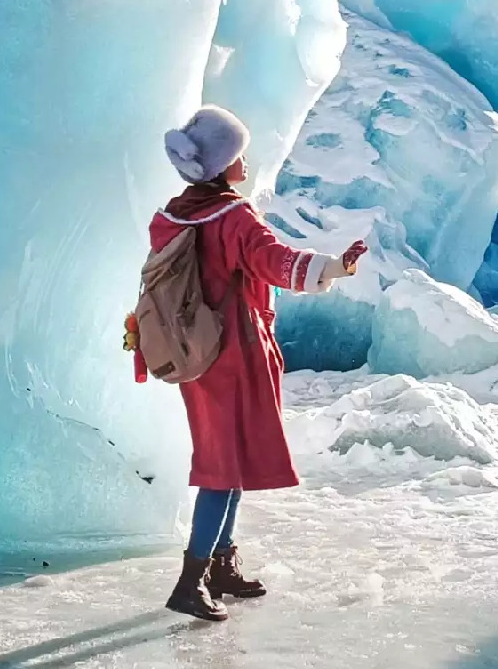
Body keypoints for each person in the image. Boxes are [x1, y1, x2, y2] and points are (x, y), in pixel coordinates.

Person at [150, 105, 367, 622]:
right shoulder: (233, 217)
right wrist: (335, 267)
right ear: (225, 162)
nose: (245, 160)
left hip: (196, 354)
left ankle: (222, 566)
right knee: (222, 469)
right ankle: (191, 579)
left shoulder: (172, 214)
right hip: (234, 356)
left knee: (232, 458)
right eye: (239, 152)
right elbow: (273, 260)